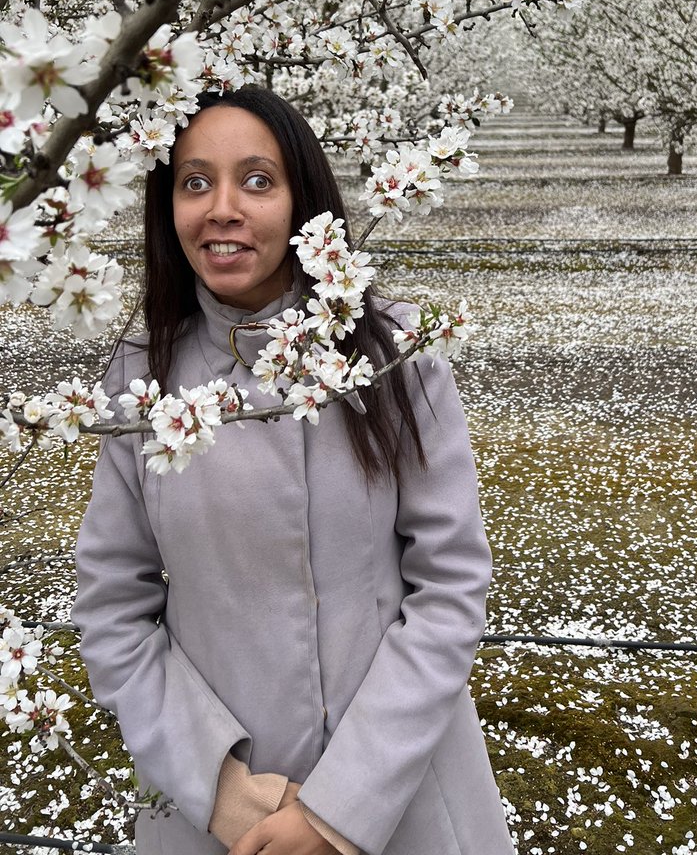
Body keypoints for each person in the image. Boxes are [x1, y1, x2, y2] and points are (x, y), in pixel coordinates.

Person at [72, 87, 516, 855]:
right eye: (194, 182)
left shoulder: (394, 355)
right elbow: (113, 611)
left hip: (400, 792)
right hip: (213, 810)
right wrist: (226, 793)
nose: (221, 209)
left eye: (257, 180)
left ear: (305, 204)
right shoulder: (142, 379)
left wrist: (338, 811)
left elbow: (450, 588)